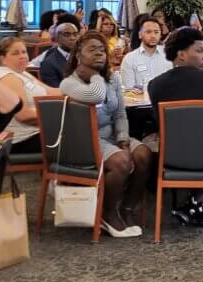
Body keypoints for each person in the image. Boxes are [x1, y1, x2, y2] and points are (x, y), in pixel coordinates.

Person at [59, 32, 151, 238]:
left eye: (102, 49)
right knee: (121, 161)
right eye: (92, 50)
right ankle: (107, 213)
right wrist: (94, 75)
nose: (99, 53)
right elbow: (96, 96)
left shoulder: (114, 80)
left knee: (143, 154)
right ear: (78, 55)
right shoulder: (68, 84)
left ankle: (126, 208)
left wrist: (123, 138)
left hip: (110, 136)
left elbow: (120, 114)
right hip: (85, 140)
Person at [146, 27, 203, 226]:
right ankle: (201, 203)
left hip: (172, 155)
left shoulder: (155, 84)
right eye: (199, 51)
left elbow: (159, 122)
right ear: (181, 55)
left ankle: (197, 204)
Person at [0, 36, 58, 155]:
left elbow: (51, 91)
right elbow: (23, 115)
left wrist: (76, 91)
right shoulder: (7, 77)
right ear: (3, 58)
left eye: (24, 52)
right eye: (15, 53)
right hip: (21, 139)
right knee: (77, 132)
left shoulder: (23, 73)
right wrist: (57, 114)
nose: (22, 56)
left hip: (37, 130)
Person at [120, 17, 171, 93]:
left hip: (166, 101)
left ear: (160, 35)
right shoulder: (129, 59)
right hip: (140, 103)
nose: (153, 35)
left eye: (156, 32)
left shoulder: (169, 54)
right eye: (148, 32)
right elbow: (129, 90)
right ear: (140, 35)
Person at [39, 21, 80, 88]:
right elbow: (58, 92)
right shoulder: (49, 64)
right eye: (67, 34)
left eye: (75, 34)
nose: (72, 38)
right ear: (57, 37)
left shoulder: (83, 57)